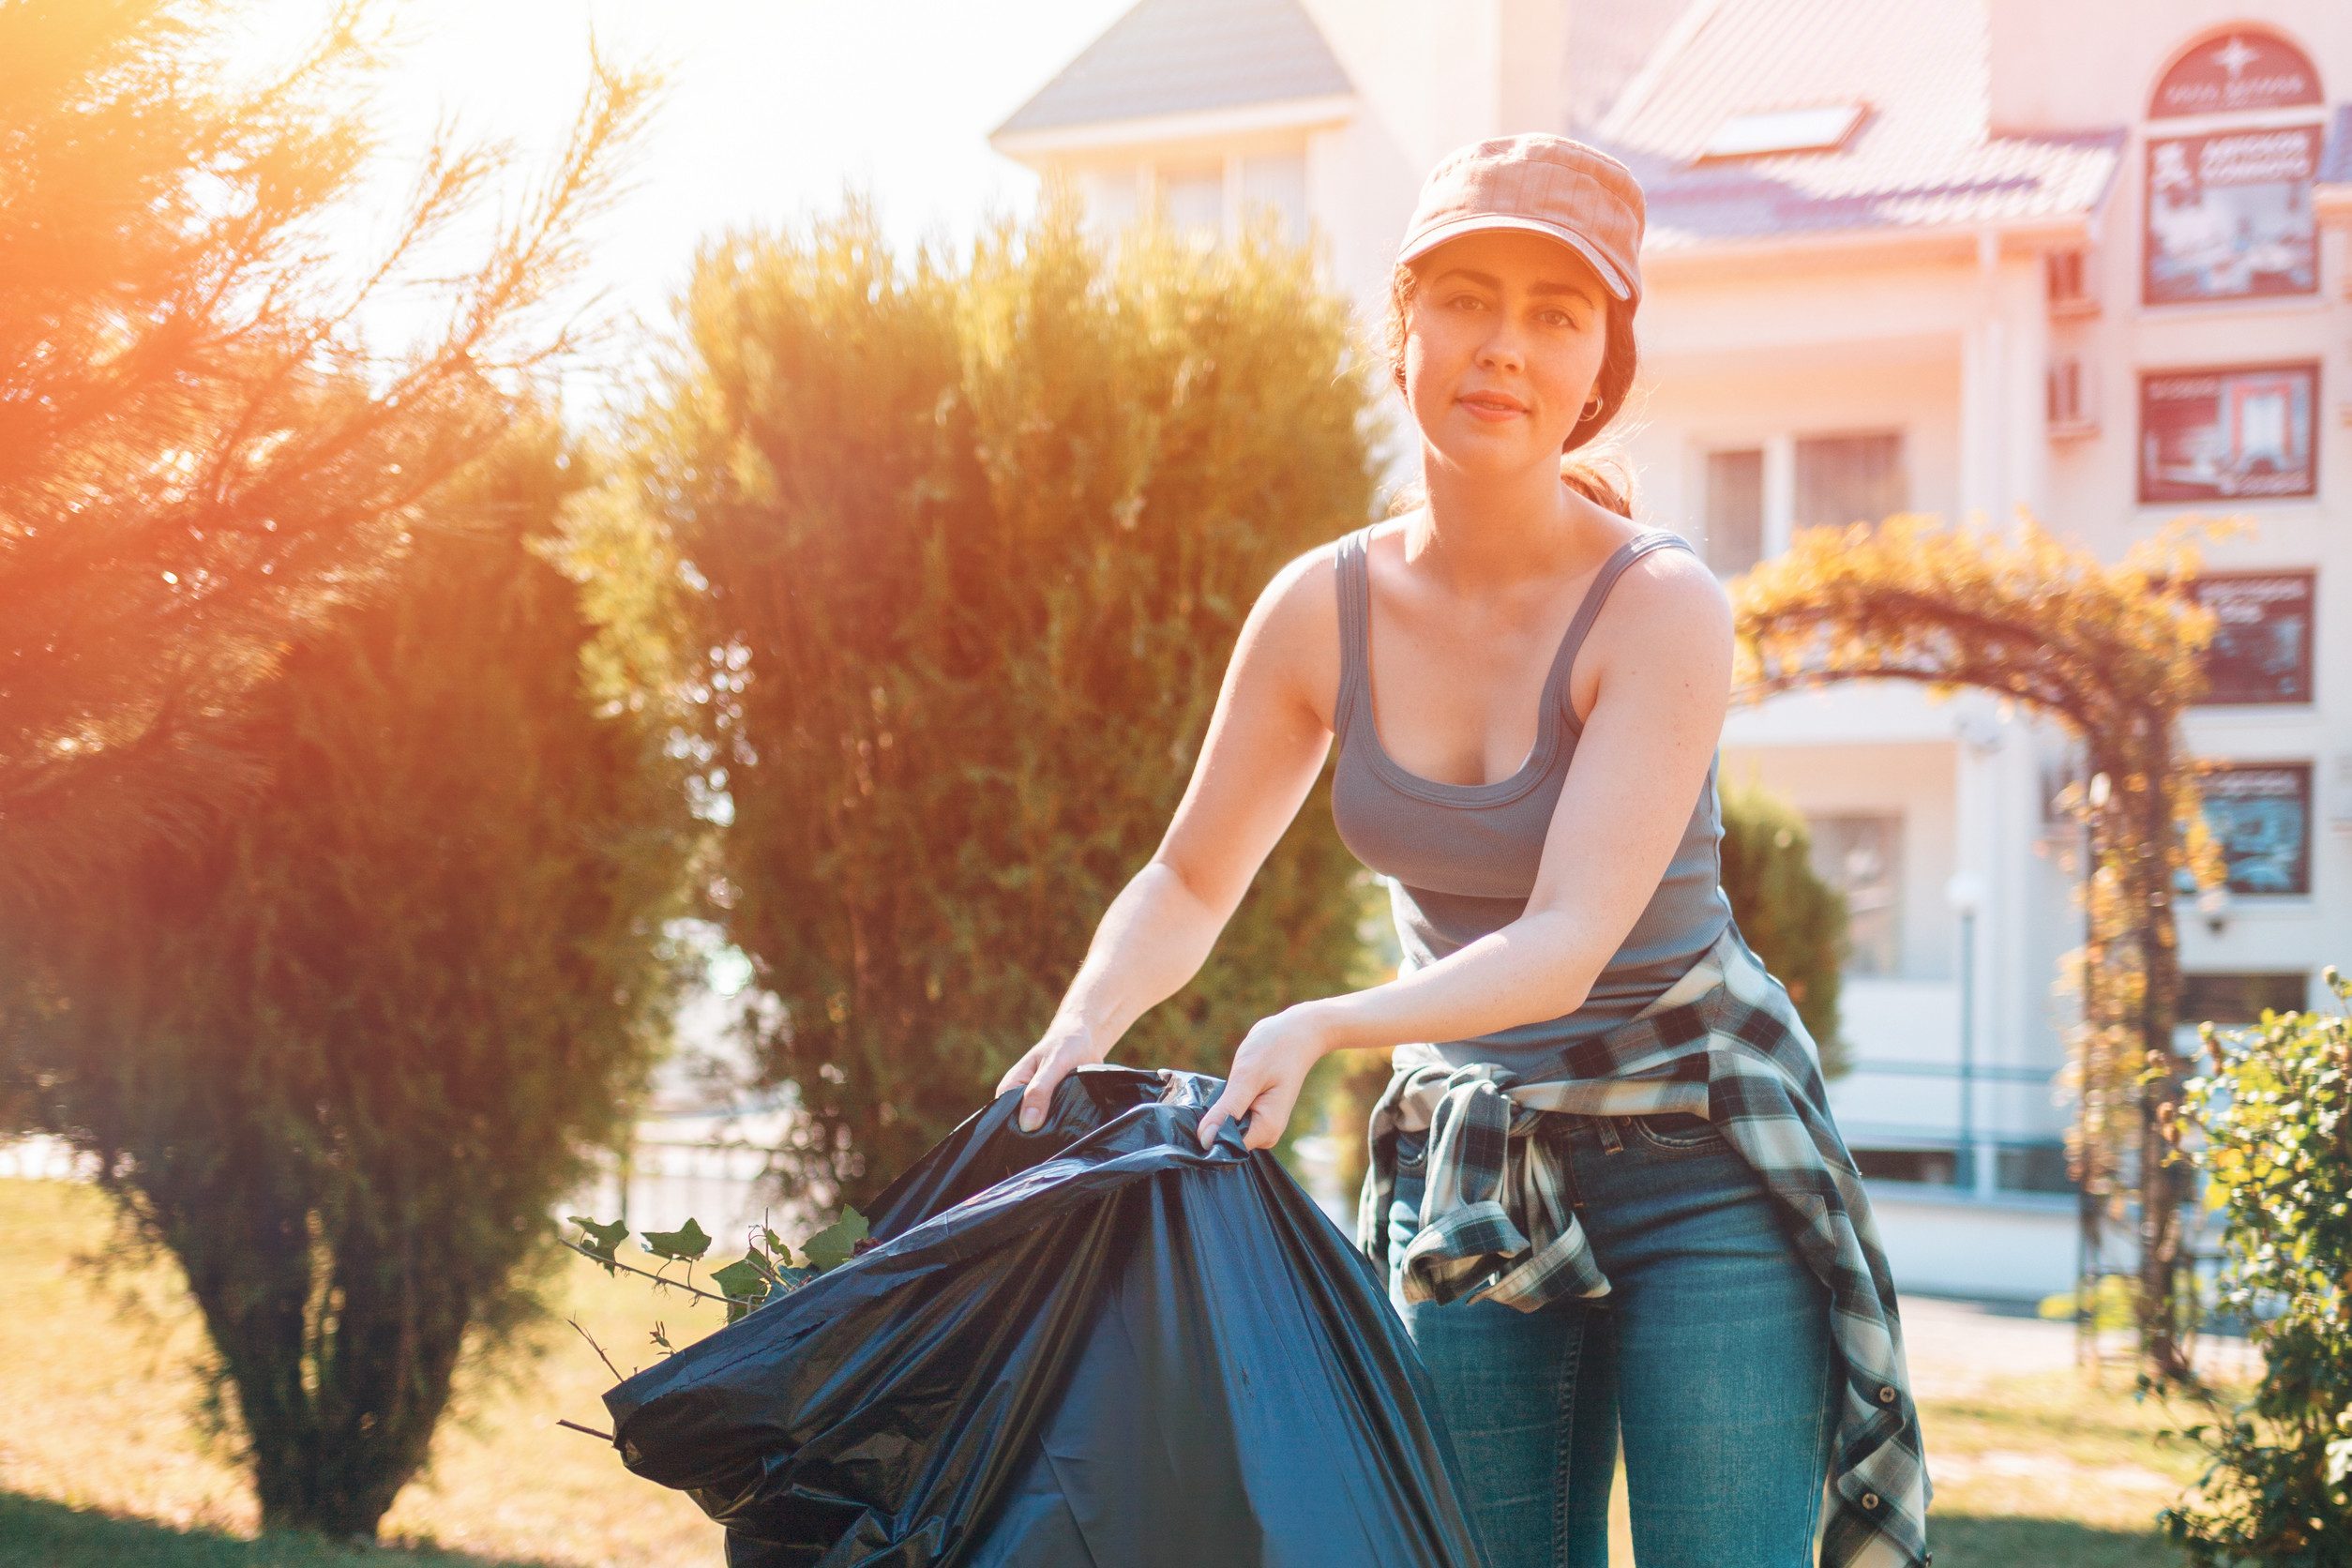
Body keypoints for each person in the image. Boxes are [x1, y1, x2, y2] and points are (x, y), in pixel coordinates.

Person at [995, 133, 1928, 1568]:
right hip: (1483, 1164)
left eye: (1556, 315)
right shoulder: (1321, 610)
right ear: (1405, 331)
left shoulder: (1661, 604)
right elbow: (1190, 878)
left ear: (1600, 367)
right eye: (1466, 300)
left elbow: (1570, 939)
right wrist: (1079, 1022)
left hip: (1705, 1161)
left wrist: (1328, 1021)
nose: (1503, 349)